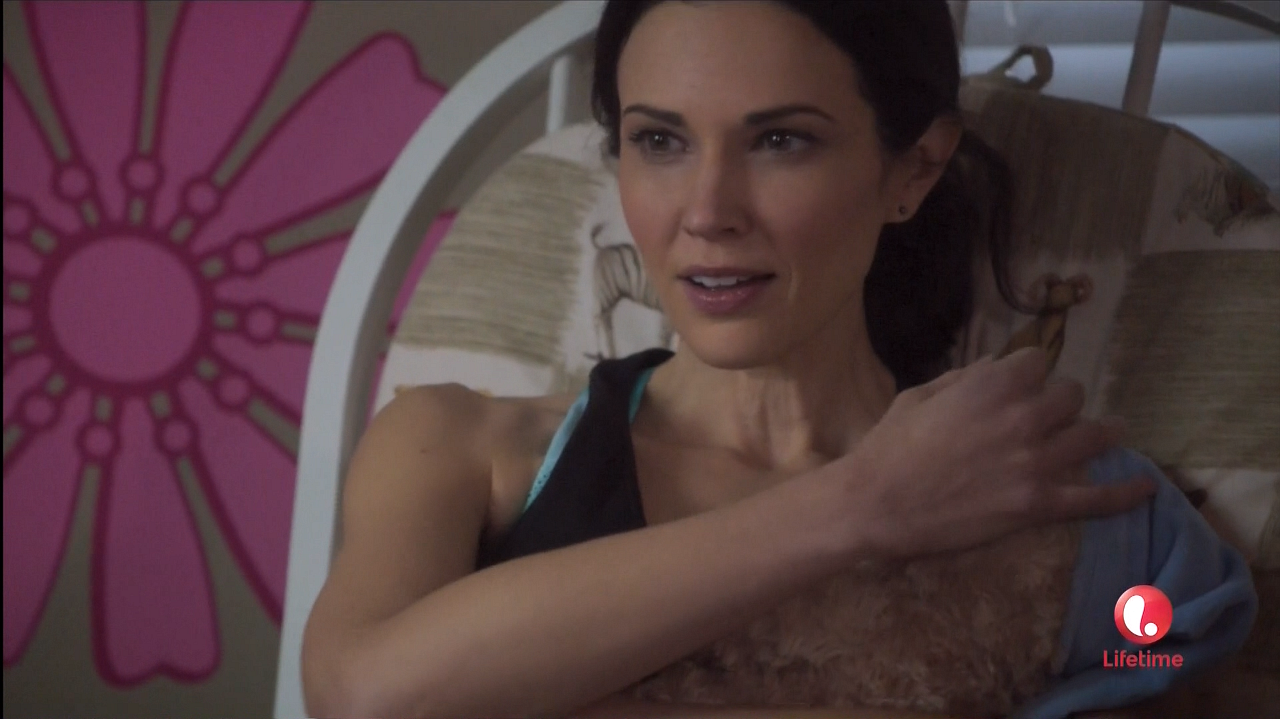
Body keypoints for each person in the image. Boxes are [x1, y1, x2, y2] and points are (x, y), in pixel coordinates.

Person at [300, 2, 1256, 718]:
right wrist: (858, 506)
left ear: (914, 168)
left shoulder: (1055, 503)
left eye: (780, 141)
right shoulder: (460, 447)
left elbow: (1161, 662)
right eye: (660, 140)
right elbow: (364, 695)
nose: (708, 211)